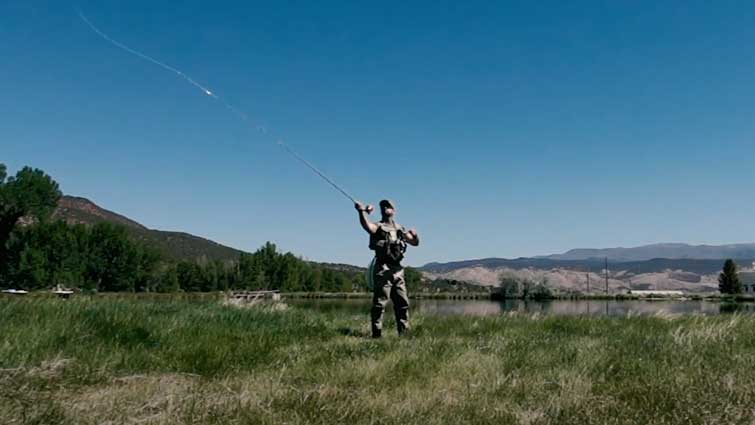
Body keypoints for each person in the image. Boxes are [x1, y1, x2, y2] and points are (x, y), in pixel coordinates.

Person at [355, 199, 419, 337]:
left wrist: (415, 235)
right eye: (383, 206)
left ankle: (404, 334)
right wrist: (361, 212)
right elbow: (368, 227)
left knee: (403, 303)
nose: (385, 207)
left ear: (394, 211)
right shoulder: (378, 226)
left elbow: (414, 243)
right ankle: (376, 335)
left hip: (398, 270)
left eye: (388, 206)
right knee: (380, 303)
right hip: (382, 268)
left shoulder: (400, 229)